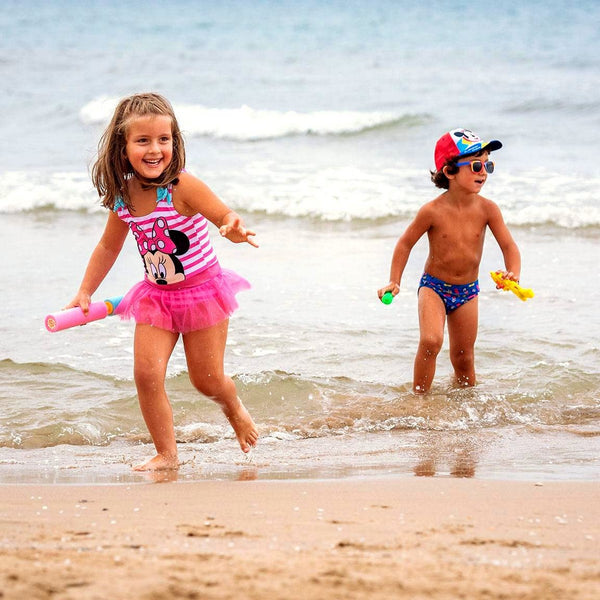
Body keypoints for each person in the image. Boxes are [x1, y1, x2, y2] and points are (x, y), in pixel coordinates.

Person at [66, 92, 259, 471]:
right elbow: (107, 246)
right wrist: (85, 290)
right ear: (123, 148)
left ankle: (233, 407)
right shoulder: (123, 196)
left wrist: (232, 228)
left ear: (175, 142)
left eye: (163, 140)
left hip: (203, 294)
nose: (155, 149)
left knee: (207, 381)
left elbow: (223, 215)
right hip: (156, 297)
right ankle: (167, 455)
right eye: (143, 141)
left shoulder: (183, 187)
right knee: (146, 373)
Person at [378, 128, 521, 393]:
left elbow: (509, 245)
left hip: (468, 291)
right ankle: (419, 399)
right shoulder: (432, 211)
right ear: (449, 171)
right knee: (431, 341)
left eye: (488, 164)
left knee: (464, 356)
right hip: (434, 287)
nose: (484, 172)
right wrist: (393, 281)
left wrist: (513, 272)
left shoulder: (488, 209)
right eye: (476, 165)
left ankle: (465, 405)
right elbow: (405, 243)